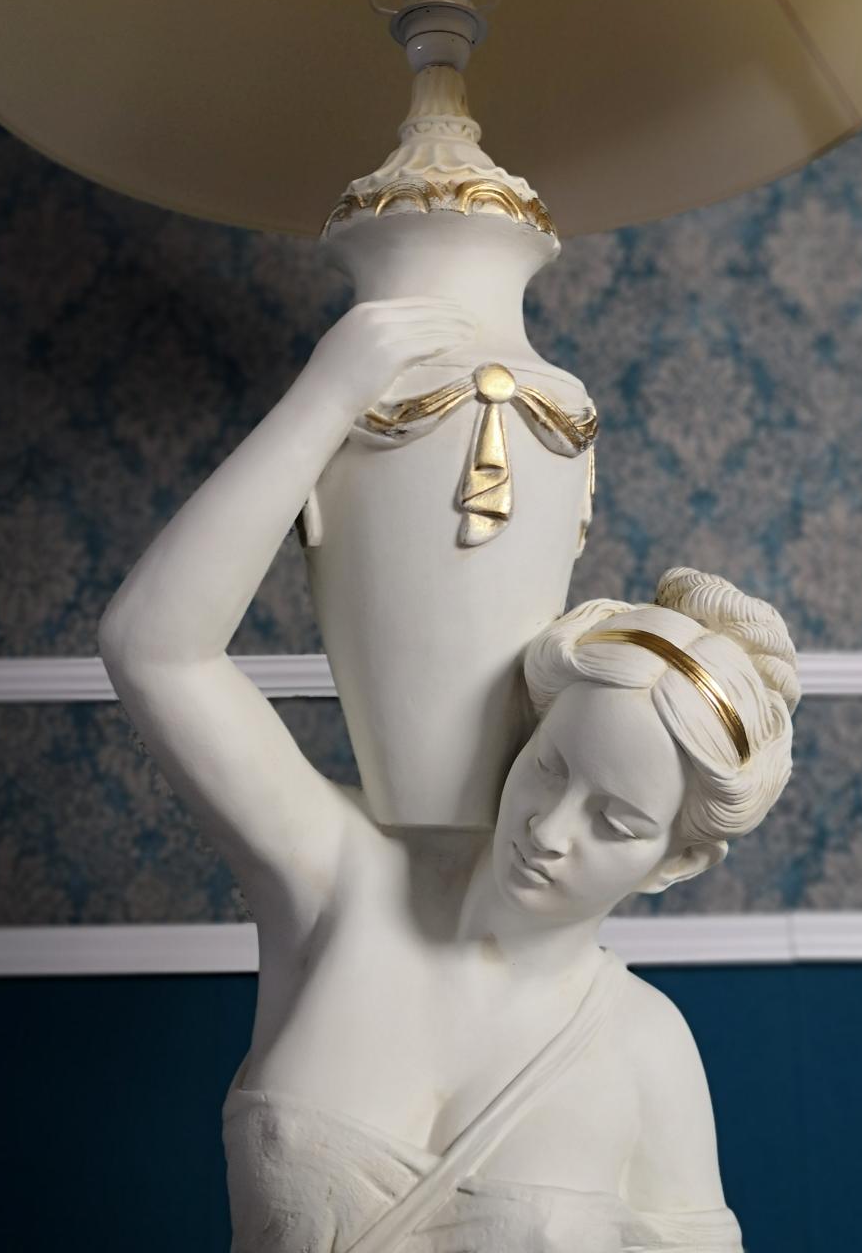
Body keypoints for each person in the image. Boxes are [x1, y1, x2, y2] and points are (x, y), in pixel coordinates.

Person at [99, 299, 800, 1252]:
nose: (550, 828)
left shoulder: (648, 1051)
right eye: (550, 766)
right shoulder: (338, 882)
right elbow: (154, 650)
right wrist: (327, 396)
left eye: (617, 822)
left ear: (677, 860)